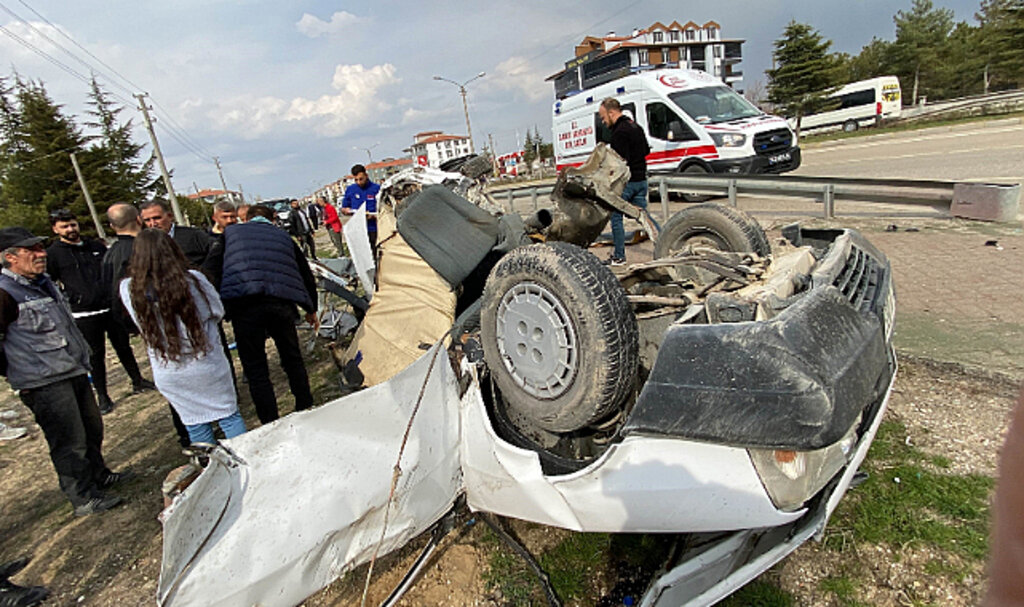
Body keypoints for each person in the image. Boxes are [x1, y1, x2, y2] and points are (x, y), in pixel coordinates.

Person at [0, 227, 129, 516]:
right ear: (11, 257)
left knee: (91, 429)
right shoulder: (5, 293)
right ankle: (83, 498)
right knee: (68, 441)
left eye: (40, 248)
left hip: (71, 370)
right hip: (43, 383)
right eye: (31, 250)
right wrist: (18, 372)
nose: (41, 254)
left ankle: (99, 476)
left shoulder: (43, 283)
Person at [120, 230, 246, 445]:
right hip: (206, 363)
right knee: (229, 417)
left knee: (195, 424)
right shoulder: (194, 280)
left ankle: (212, 469)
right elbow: (217, 310)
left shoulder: (128, 288)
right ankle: (248, 460)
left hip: (169, 369)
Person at [205, 205, 318, 424]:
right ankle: (305, 407)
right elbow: (305, 273)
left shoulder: (231, 235)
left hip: (244, 305)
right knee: (292, 358)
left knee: (255, 367)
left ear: (246, 218)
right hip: (280, 302)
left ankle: (270, 420)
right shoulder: (283, 237)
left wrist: (217, 304)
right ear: (272, 218)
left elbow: (211, 269)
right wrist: (310, 309)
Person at [102, 203, 193, 449]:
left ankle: (189, 429)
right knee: (180, 377)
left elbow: (111, 296)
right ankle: (189, 431)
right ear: (139, 221)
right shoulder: (145, 250)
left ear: (111, 226)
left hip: (145, 326)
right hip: (167, 322)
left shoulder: (109, 254)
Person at [46, 209, 155, 414]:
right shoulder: (54, 254)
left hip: (109, 306)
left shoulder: (95, 246)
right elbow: (50, 281)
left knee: (124, 346)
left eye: (73, 224)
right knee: (95, 356)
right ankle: (103, 396)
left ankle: (138, 380)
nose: (71, 229)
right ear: (55, 229)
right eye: (64, 226)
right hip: (84, 314)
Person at [599, 97, 651, 266]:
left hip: (628, 183)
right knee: (644, 216)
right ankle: (663, 246)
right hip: (642, 179)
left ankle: (619, 257)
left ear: (611, 112)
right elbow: (645, 150)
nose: (603, 121)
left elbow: (618, 164)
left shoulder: (619, 132)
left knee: (615, 216)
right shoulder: (635, 126)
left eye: (603, 117)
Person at [139, 200, 211, 267]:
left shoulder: (194, 235)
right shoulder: (143, 244)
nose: (153, 224)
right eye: (147, 220)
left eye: (157, 218)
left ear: (170, 216)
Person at [341, 164, 380, 252]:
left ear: (366, 176)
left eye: (361, 179)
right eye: (356, 180)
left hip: (374, 228)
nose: (359, 182)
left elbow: (383, 209)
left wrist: (373, 215)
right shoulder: (350, 190)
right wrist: (346, 211)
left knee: (376, 252)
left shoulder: (376, 189)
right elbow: (344, 208)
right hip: (358, 229)